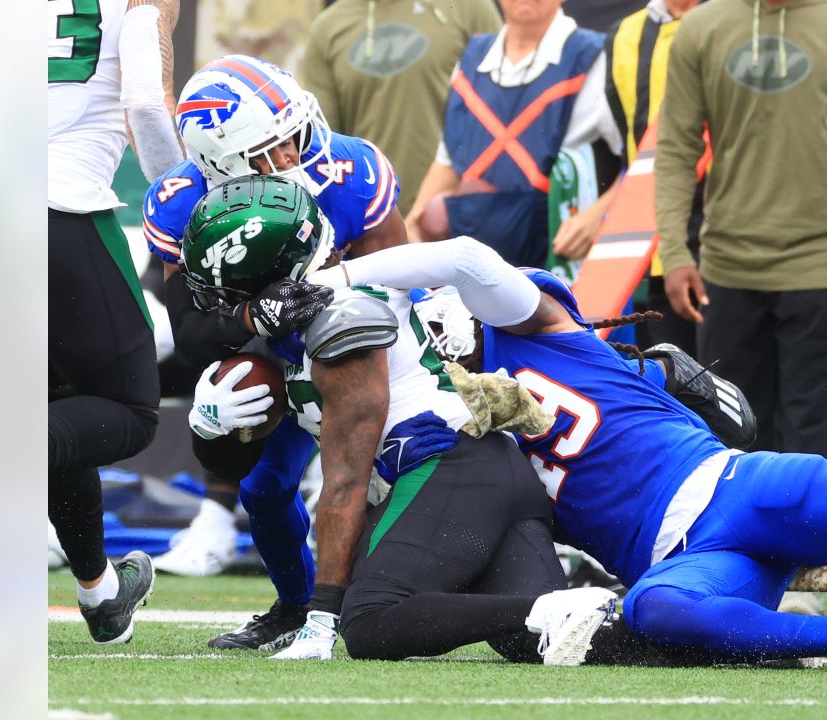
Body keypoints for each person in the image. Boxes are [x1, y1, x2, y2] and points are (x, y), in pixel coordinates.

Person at [333, 235, 827, 671]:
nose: (442, 329)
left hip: (740, 485)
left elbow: (463, 258)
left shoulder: (547, 332)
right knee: (655, 609)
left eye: (444, 315)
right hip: (686, 557)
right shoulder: (455, 427)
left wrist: (332, 278)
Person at [178, 175, 629, 666]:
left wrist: (323, 616)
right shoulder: (299, 322)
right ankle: (647, 629)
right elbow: (231, 462)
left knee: (368, 621)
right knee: (534, 638)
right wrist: (208, 425)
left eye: (224, 285)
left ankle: (567, 609)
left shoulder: (342, 319)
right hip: (486, 477)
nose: (220, 302)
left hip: (450, 468)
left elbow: (346, 479)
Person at [141, 54, 404, 649]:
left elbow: (402, 280)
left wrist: (332, 283)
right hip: (276, 348)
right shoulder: (183, 202)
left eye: (295, 137)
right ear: (222, 163)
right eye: (273, 149)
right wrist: (252, 315)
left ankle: (385, 594)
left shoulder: (347, 169)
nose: (294, 157)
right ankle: (293, 606)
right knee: (260, 486)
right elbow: (189, 331)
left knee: (388, 477)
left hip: (367, 342)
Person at [656, 0, 827, 465]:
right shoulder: (700, 29)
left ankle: (813, 540)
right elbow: (676, 148)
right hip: (727, 266)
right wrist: (675, 252)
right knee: (728, 437)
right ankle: (738, 542)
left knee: (814, 439)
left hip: (821, 265)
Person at [48, 0, 183, 644]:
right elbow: (148, 106)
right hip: (62, 211)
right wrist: (184, 212)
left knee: (57, 406)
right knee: (129, 412)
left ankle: (101, 595)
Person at [404, 0, 624, 269]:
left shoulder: (596, 57)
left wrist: (599, 217)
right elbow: (448, 162)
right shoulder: (473, 59)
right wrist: (410, 231)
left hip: (559, 267)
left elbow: (639, 159)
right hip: (472, 271)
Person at [299, 0, 502, 215]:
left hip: (454, 219)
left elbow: (505, 106)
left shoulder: (470, 7)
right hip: (373, 224)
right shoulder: (326, 28)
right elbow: (320, 148)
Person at [605, 0, 703, 355]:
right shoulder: (624, 34)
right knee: (672, 387)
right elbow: (625, 140)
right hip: (654, 250)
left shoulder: (737, 24)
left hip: (730, 251)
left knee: (736, 392)